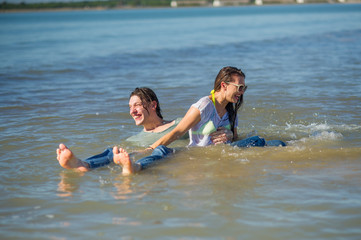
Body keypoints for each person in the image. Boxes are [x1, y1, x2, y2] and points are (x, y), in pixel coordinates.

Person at [114, 66, 286, 175]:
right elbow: (177, 132)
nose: (242, 92)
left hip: (222, 155)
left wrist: (229, 136)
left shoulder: (231, 111)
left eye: (244, 88)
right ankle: (135, 167)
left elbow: (236, 138)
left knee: (276, 142)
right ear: (224, 86)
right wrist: (149, 148)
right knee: (162, 152)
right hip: (196, 154)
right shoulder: (204, 105)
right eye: (239, 87)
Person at [56, 87, 232, 172]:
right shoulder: (134, 140)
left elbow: (211, 128)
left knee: (161, 151)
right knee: (112, 151)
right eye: (130, 107)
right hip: (140, 158)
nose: (132, 111)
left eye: (137, 105)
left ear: (153, 105)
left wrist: (229, 133)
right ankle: (83, 164)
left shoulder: (179, 124)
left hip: (168, 159)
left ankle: (132, 167)